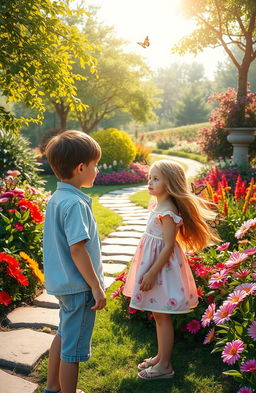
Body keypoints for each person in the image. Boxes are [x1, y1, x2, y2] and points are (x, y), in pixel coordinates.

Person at [123, 159, 219, 380]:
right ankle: (160, 356)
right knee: (159, 315)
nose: (150, 182)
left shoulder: (168, 212)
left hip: (161, 272)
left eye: (156, 179)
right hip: (156, 268)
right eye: (149, 177)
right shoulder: (159, 206)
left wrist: (151, 273)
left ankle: (165, 366)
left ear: (171, 184)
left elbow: (167, 247)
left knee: (163, 316)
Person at [43, 130, 106, 393]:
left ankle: (53, 387)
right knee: (74, 349)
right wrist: (96, 286)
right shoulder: (75, 205)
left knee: (63, 334)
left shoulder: (57, 198)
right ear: (81, 167)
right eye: (95, 165)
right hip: (80, 288)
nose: (98, 170)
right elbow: (77, 249)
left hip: (63, 285)